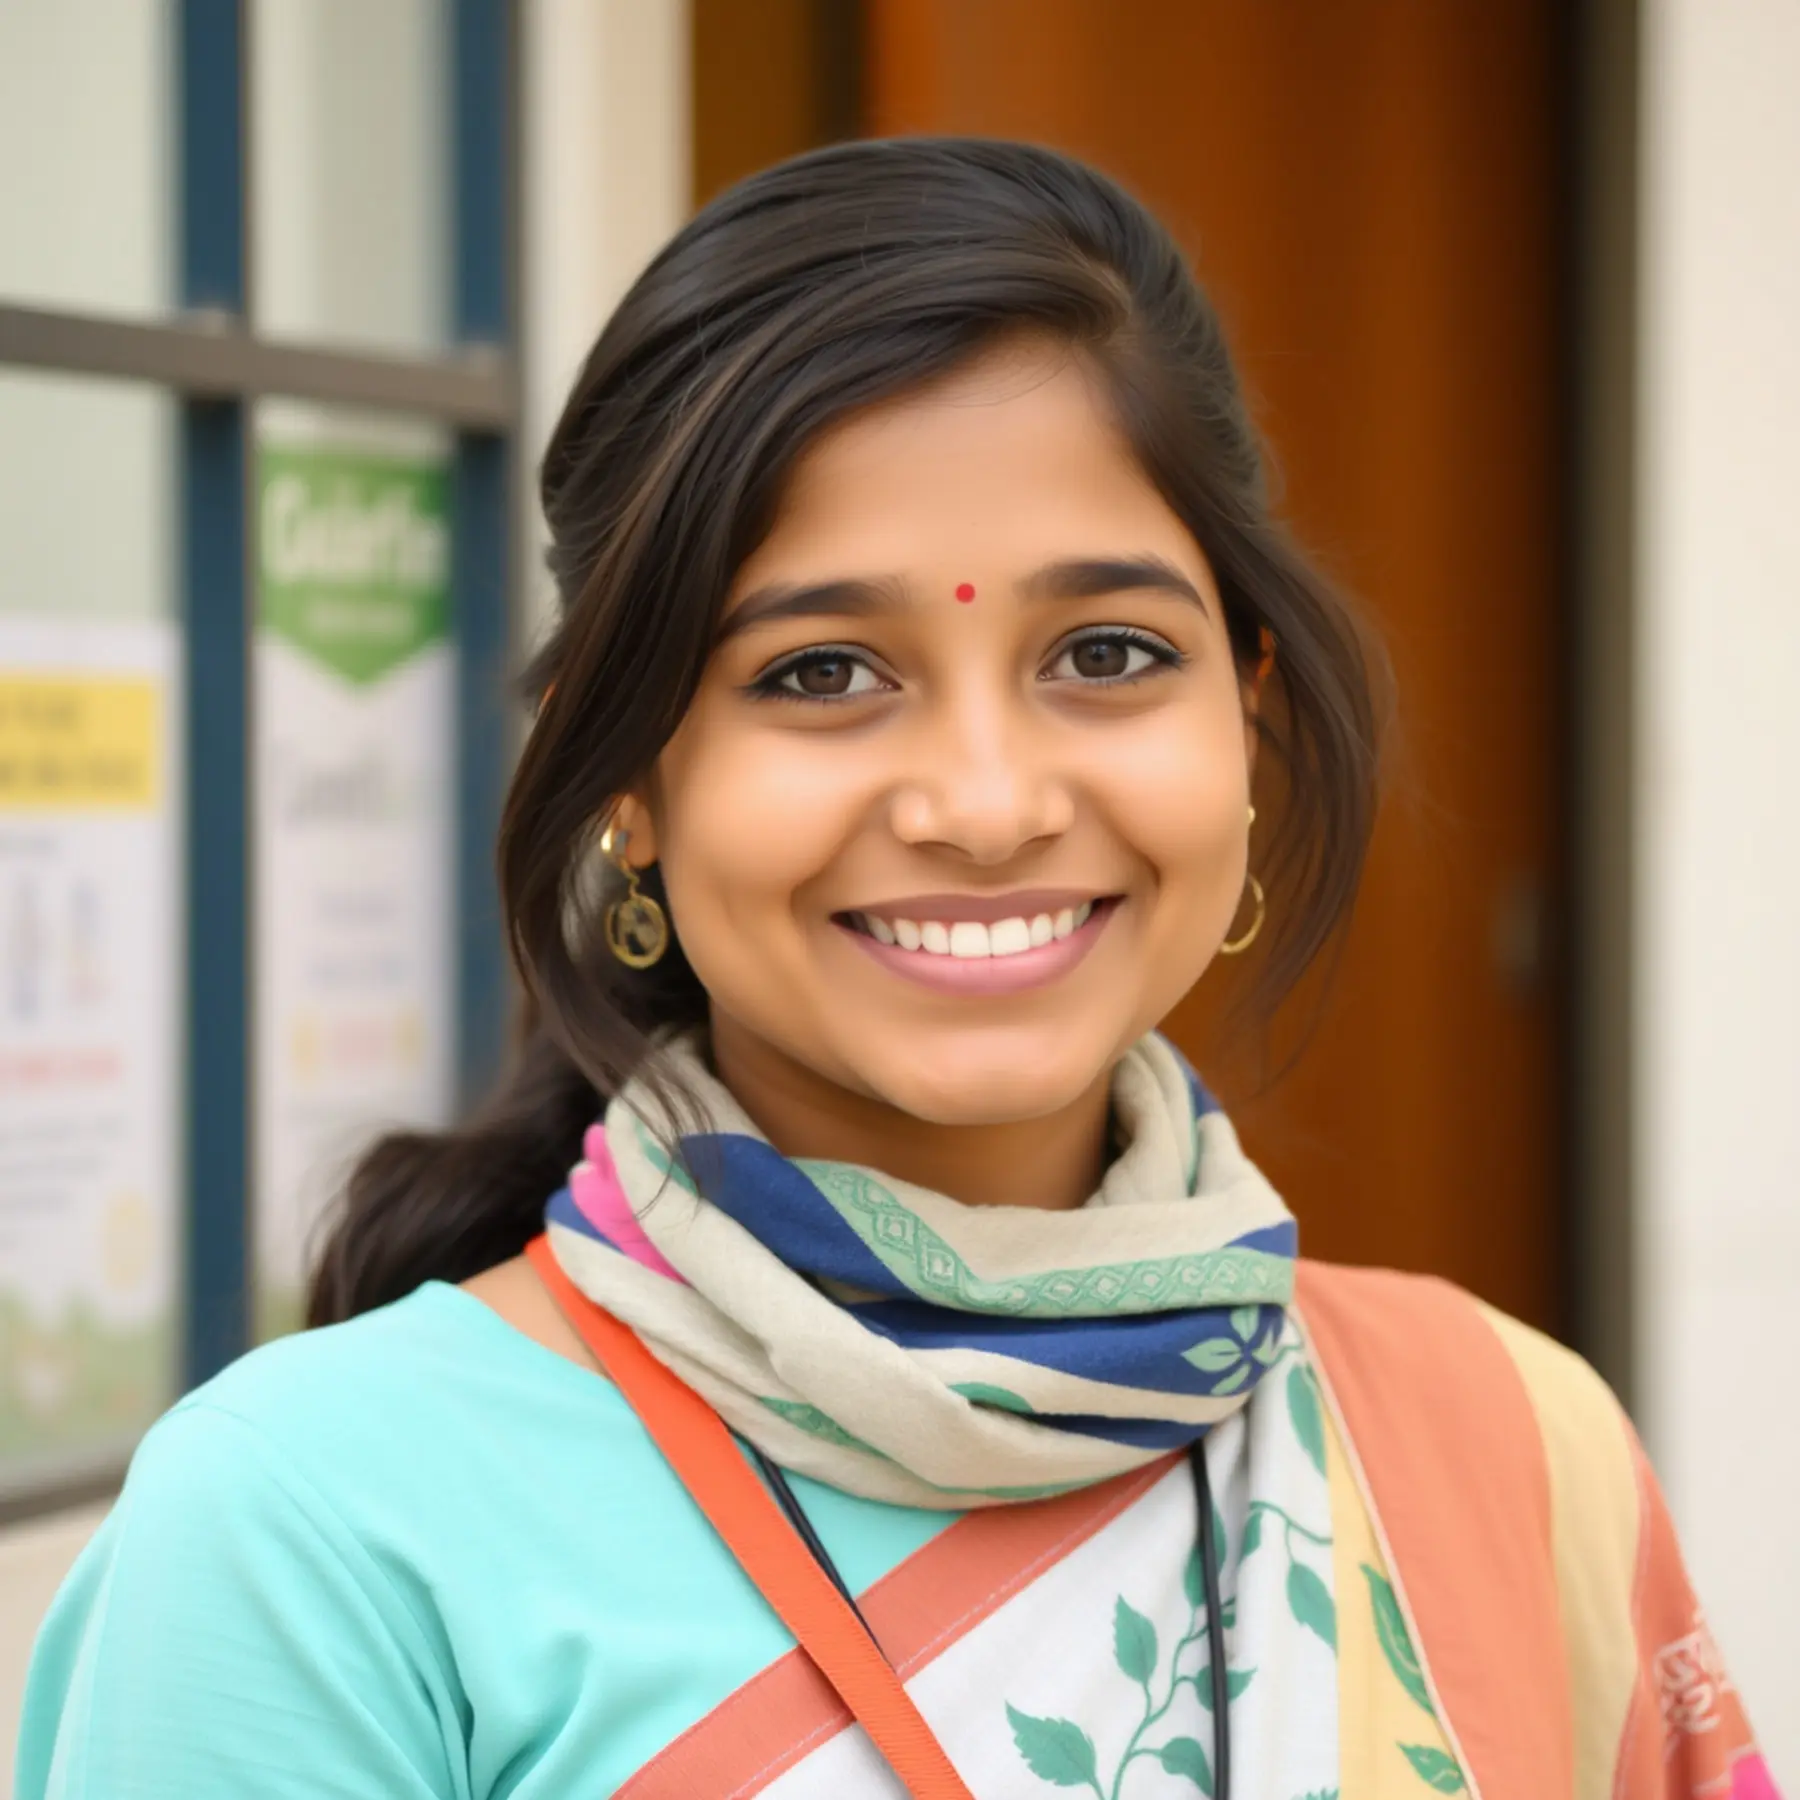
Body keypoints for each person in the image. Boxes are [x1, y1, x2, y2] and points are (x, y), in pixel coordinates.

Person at [15, 140, 1777, 1800]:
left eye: (1104, 651)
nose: (989, 806)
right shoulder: (317, 1538)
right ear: (624, 772)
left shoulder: (1511, 1445)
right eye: (819, 674)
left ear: (1244, 711)